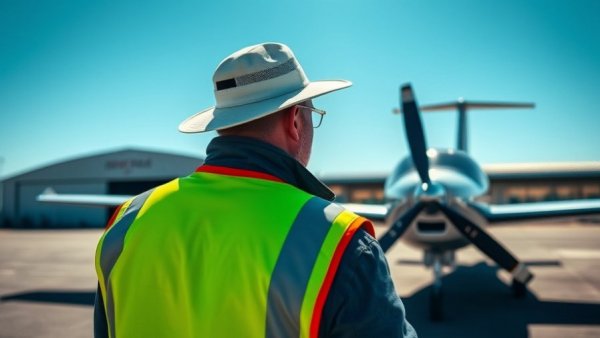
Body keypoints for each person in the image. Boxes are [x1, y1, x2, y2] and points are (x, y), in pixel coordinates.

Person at [94, 42, 417, 338]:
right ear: (295, 120)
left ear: (223, 122)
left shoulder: (129, 219)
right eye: (313, 115)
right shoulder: (337, 238)